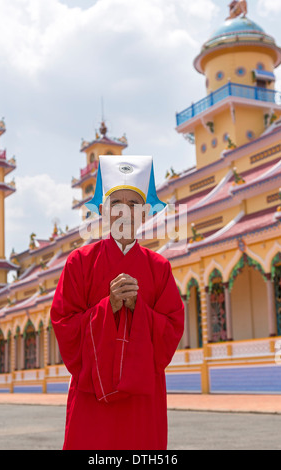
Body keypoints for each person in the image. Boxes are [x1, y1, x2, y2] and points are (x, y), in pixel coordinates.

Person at [50, 155, 185, 450]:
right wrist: (106, 307)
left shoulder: (158, 267)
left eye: (134, 204)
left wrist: (139, 311)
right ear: (102, 210)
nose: (124, 211)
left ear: (145, 213)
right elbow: (63, 323)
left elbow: (173, 326)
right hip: (92, 396)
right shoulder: (80, 263)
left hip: (142, 400)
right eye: (116, 203)